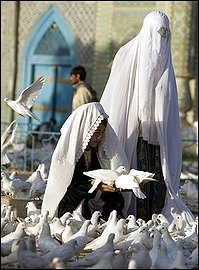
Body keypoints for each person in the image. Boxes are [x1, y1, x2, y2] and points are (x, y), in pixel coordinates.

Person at [100, 11, 195, 222]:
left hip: (157, 141)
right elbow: (117, 98)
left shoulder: (166, 64)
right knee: (130, 184)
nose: (160, 40)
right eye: (156, 33)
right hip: (131, 134)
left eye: (164, 34)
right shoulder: (127, 55)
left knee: (156, 185)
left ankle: (152, 219)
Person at [41, 102, 132, 220]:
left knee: (115, 199)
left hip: (93, 201)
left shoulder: (97, 153)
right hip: (71, 205)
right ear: (86, 131)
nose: (99, 137)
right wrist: (92, 185)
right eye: (96, 132)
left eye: (102, 132)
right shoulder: (70, 156)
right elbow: (66, 191)